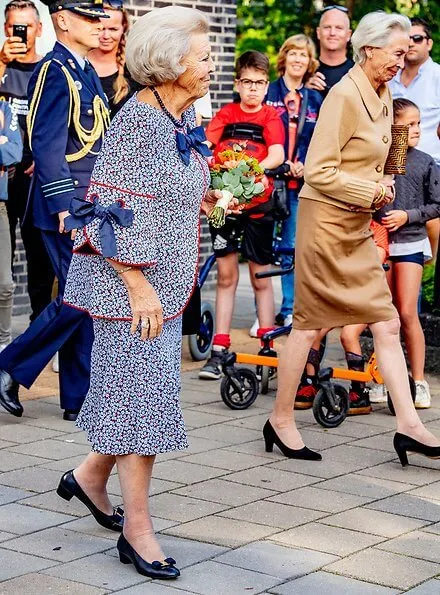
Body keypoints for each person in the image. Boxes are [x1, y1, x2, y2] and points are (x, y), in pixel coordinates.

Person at [57, 5, 230, 580]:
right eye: (204, 57)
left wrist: (204, 199)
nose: (211, 65)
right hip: (134, 288)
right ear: (171, 63)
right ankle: (137, 529)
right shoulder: (138, 123)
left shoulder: (177, 117)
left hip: (165, 279)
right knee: (142, 405)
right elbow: (102, 215)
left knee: (132, 395)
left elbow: (162, 190)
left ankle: (86, 479)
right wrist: (137, 286)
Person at [263, 11, 440, 466]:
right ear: (369, 49)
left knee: (385, 321)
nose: (401, 62)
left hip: (359, 223)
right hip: (324, 224)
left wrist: (394, 165)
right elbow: (320, 171)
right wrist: (375, 189)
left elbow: (389, 155)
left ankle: (409, 426)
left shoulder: (384, 93)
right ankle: (281, 419)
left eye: (405, 53)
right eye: (396, 53)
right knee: (308, 325)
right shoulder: (343, 95)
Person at [0, 0, 110, 420]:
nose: (98, 25)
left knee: (80, 296)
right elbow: (46, 145)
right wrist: (66, 207)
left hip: (86, 201)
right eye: (88, 17)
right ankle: (9, 365)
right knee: (81, 297)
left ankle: (77, 398)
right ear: (63, 21)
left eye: (100, 18)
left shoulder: (84, 71)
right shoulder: (55, 70)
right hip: (63, 206)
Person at [198, 50, 285, 380]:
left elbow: (277, 153)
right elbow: (206, 146)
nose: (253, 89)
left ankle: (267, 346)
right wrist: (214, 169)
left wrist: (251, 169)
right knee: (225, 276)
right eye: (247, 82)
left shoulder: (271, 117)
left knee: (260, 277)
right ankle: (219, 350)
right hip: (224, 205)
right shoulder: (226, 112)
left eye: (260, 83)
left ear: (267, 86)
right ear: (237, 83)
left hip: (258, 207)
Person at [380, 98, 440, 409]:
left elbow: (437, 205)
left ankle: (418, 380)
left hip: (412, 244)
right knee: (382, 316)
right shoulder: (380, 162)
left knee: (406, 313)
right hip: (381, 248)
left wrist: (408, 216)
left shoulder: (426, 162)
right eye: (409, 124)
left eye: (418, 123)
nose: (417, 129)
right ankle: (380, 379)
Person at [0, 0, 55, 321]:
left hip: (36, 176)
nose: (20, 33)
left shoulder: (48, 70)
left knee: (40, 258)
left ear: (39, 29)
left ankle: (40, 329)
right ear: (6, 30)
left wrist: (46, 158)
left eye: (26, 26)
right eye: (13, 27)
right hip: (3, 177)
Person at [265, 34, 322, 329]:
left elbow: (323, 141)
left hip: (299, 186)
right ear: (284, 57)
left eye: (304, 55)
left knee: (291, 246)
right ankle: (263, 315)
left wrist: (306, 165)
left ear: (310, 62)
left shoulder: (315, 99)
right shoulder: (268, 92)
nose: (299, 60)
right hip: (267, 182)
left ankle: (288, 307)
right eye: (294, 54)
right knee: (261, 248)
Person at [389, 18, 440, 167]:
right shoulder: (389, 77)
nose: (411, 43)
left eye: (417, 38)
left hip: (433, 166)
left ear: (429, 44)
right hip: (394, 166)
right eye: (407, 39)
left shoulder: (437, 75)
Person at [88, 0, 139, 119]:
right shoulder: (78, 64)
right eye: (100, 29)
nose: (106, 36)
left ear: (123, 28)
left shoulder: (134, 70)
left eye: (113, 29)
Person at [0, 100, 22, 351]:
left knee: (5, 284)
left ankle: (3, 345)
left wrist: (6, 145)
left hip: (0, 206)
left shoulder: (5, 109)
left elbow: (15, 152)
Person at [306, 5, 353, 96]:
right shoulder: (305, 71)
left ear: (348, 35)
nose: (332, 33)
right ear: (318, 33)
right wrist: (304, 91)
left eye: (339, 28)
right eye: (327, 27)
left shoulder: (358, 72)